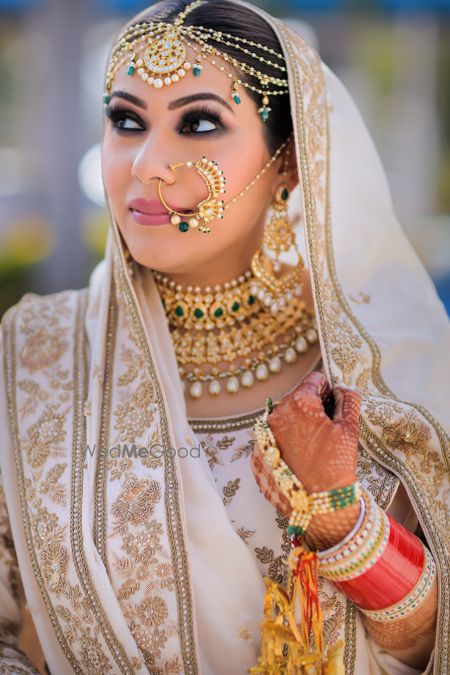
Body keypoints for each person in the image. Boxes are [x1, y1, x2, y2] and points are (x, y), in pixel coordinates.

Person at [0, 0, 448, 672]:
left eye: (200, 122)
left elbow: (433, 642)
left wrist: (339, 520)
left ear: (290, 160)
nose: (148, 163)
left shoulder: (383, 369)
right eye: (126, 121)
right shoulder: (37, 356)